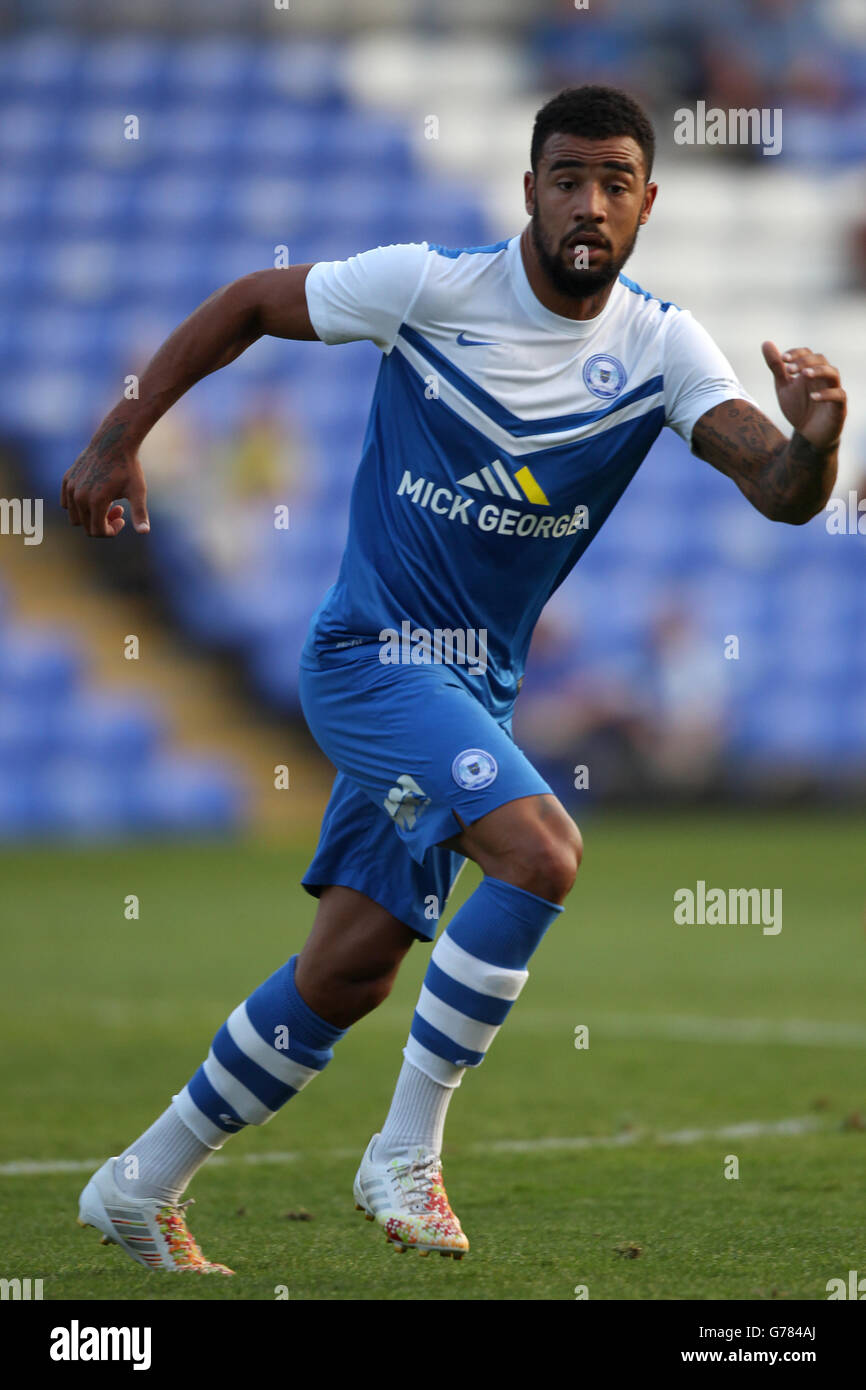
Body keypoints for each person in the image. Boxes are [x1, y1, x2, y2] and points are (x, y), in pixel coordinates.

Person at [62, 85, 846, 1271]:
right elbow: (248, 305)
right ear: (528, 189)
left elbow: (779, 494)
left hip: (470, 696)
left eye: (614, 183)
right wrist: (121, 434)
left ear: (646, 203)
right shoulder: (428, 287)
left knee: (350, 967)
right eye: (567, 178)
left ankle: (138, 1181)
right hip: (368, 657)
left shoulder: (659, 345)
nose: (589, 204)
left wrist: (815, 442)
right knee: (541, 853)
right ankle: (404, 1153)